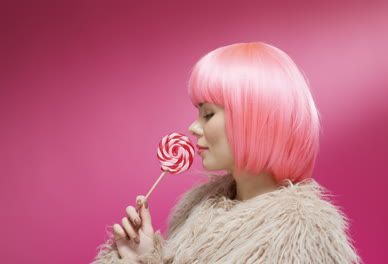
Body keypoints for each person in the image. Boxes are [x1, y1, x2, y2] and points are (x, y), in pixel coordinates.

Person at [92, 42, 361, 263]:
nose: (194, 127)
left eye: (208, 114)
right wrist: (144, 256)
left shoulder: (301, 234)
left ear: (255, 121)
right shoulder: (198, 207)